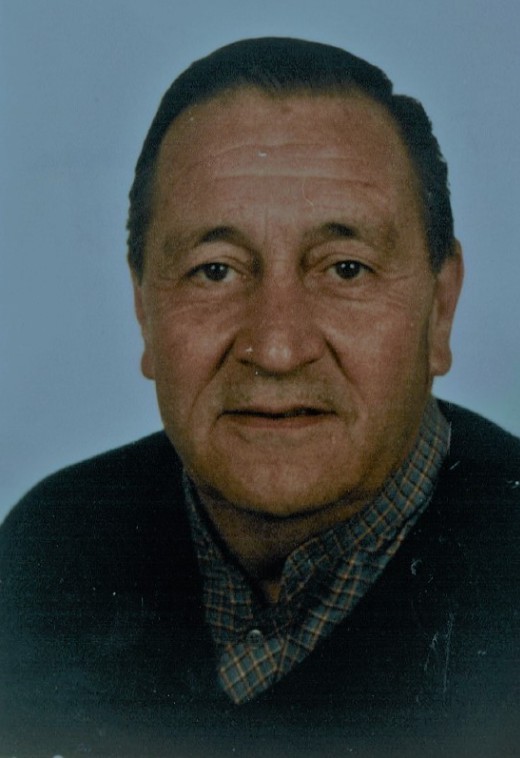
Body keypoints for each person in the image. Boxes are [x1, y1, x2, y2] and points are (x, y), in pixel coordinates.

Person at [1, 37, 518, 757]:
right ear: (144, 308)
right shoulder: (47, 554)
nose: (276, 349)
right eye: (215, 270)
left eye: (346, 268)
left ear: (440, 309)